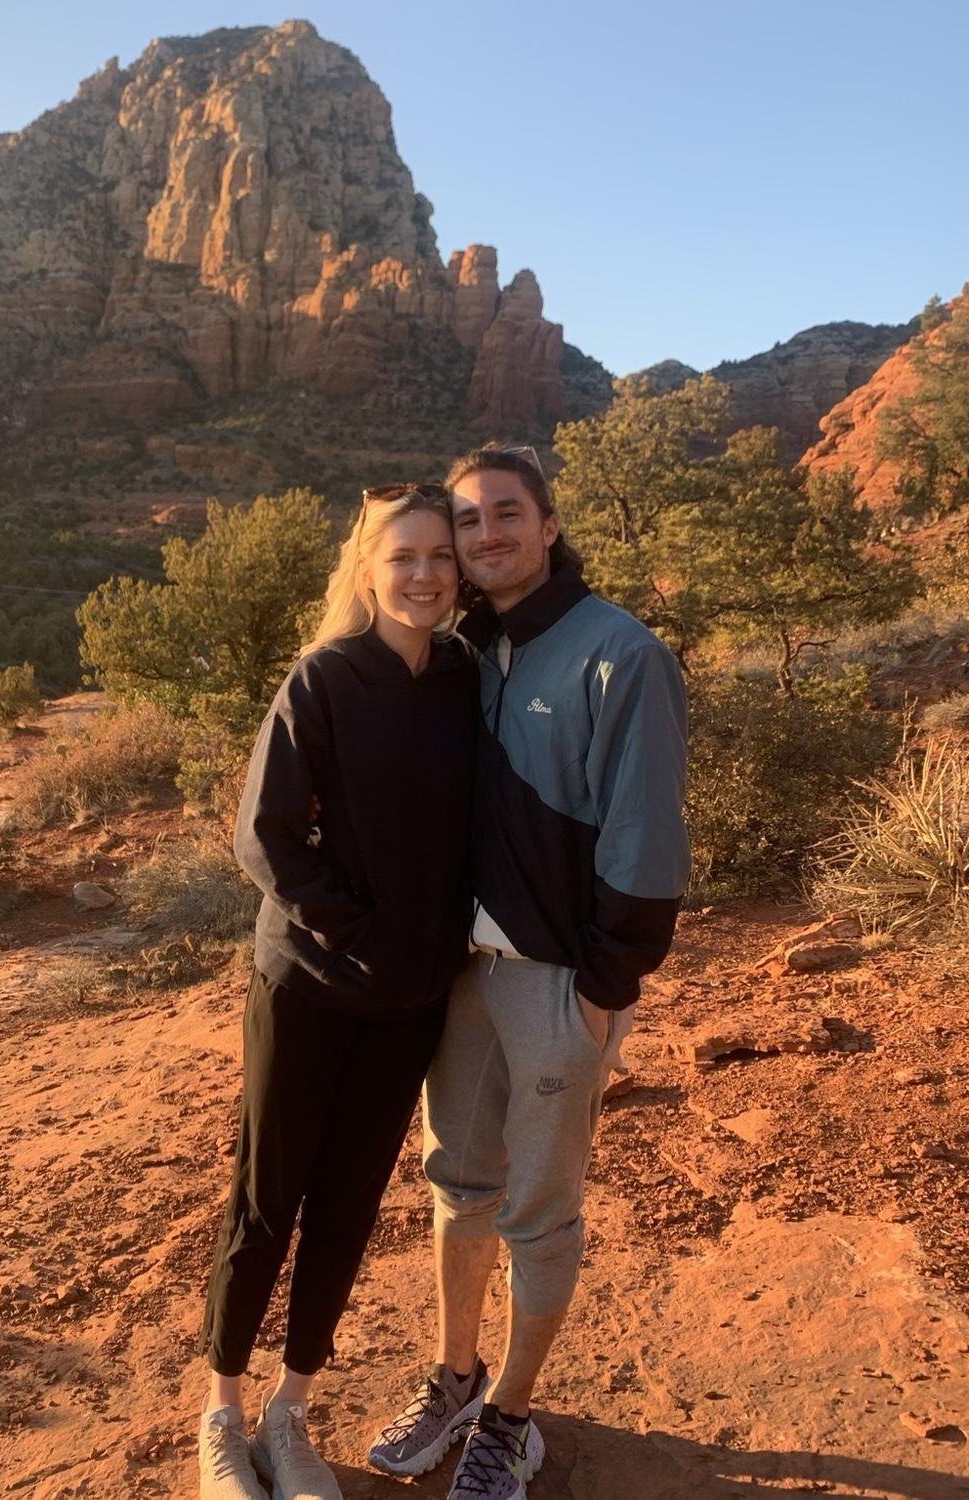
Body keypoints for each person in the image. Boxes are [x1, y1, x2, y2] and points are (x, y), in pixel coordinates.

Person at [367, 446, 690, 1498]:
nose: (486, 534)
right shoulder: (468, 652)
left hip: (559, 983)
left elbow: (647, 837)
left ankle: (510, 1419)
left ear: (549, 526)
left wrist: (605, 987)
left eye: (507, 513)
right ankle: (456, 1379)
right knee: (456, 1185)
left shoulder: (620, 652)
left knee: (537, 1214)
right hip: (463, 975)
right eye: (467, 520)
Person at [199, 484, 480, 1500]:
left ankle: (291, 1412)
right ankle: (222, 1416)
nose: (424, 575)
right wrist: (363, 934)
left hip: (410, 1000)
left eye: (441, 557)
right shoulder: (324, 677)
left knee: (351, 1203)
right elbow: (264, 839)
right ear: (368, 568)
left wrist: (434, 947)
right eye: (403, 557)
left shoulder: (467, 677)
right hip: (310, 983)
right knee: (268, 1197)